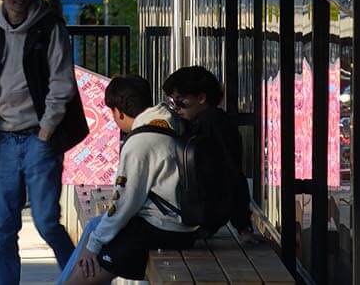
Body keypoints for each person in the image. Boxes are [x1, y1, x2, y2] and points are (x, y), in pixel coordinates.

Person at [0, 0, 89, 285]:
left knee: (47, 222)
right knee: (3, 230)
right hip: (4, 140)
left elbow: (62, 82)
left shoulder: (48, 27)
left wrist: (46, 132)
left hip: (39, 138)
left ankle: (78, 278)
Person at [71, 75, 202, 282]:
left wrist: (92, 248)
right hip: (181, 223)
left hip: (163, 227)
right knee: (94, 229)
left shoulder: (140, 142)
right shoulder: (171, 121)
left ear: (119, 112)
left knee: (84, 274)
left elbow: (124, 203)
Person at [163, 65, 252, 233]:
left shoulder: (215, 123)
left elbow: (232, 172)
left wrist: (243, 225)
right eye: (172, 102)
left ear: (201, 98)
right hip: (196, 213)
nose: (176, 107)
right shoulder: (195, 122)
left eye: (180, 100)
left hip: (203, 215)